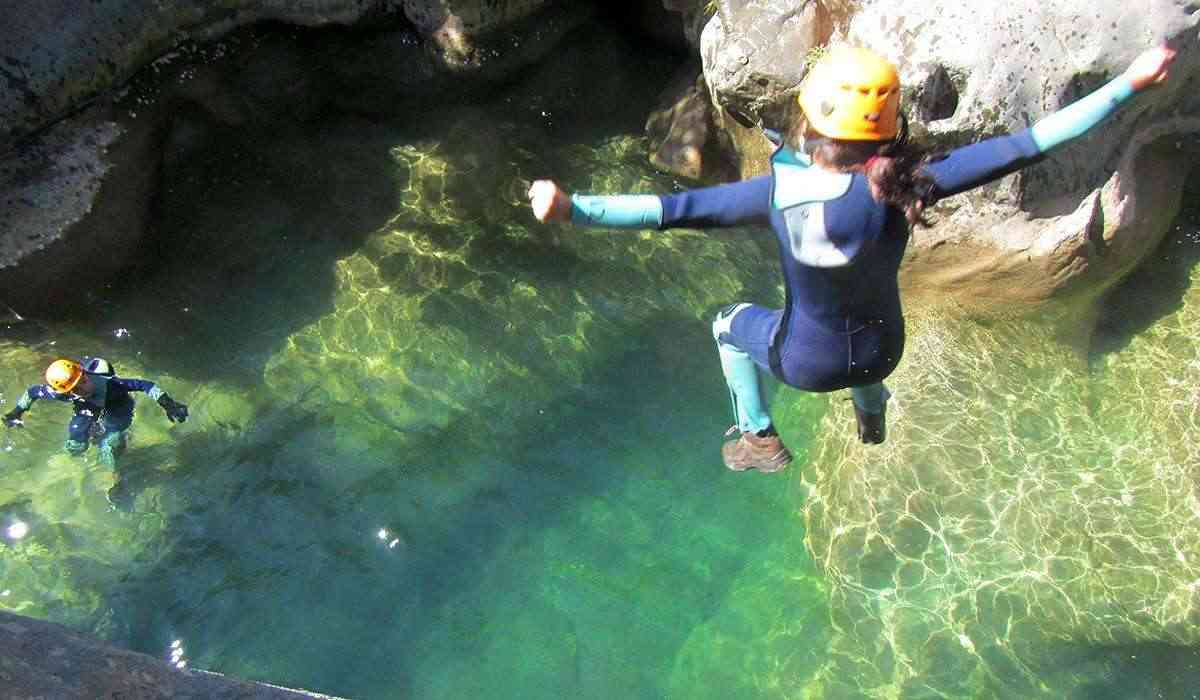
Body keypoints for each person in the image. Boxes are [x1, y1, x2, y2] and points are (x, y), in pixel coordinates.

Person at [528, 44, 1176, 472]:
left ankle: (758, 436)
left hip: (805, 362)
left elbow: (668, 213)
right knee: (861, 339)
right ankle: (871, 416)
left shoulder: (773, 191)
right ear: (888, 128)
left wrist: (571, 206)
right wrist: (1131, 82)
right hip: (883, 349)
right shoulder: (913, 180)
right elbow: (1030, 143)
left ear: (810, 126)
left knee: (727, 325)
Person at [3, 357, 189, 468]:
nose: (83, 388)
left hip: (117, 408)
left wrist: (169, 404)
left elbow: (144, 385)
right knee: (76, 431)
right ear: (66, 392)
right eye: (75, 389)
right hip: (90, 409)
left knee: (110, 443)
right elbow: (32, 392)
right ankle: (75, 453)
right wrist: (17, 412)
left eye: (82, 380)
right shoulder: (61, 393)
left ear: (83, 372)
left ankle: (117, 474)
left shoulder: (111, 385)